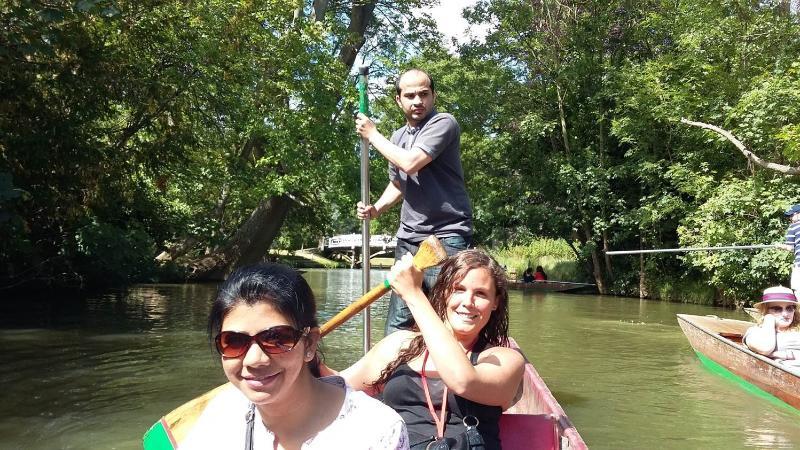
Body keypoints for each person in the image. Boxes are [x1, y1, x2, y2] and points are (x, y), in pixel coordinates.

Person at [180, 263, 409, 449]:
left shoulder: (375, 432)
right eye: (234, 341)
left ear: (309, 344)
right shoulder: (219, 415)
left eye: (277, 338)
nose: (254, 359)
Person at [333, 250, 525, 449]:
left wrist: (413, 295)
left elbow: (463, 381)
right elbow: (335, 387)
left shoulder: (505, 359)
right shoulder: (400, 344)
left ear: (495, 303)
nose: (468, 302)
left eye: (481, 294)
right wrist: (304, 350)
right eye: (458, 289)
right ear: (443, 293)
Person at [355, 68, 473, 335]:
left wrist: (372, 134)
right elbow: (399, 182)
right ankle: (394, 374)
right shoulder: (397, 137)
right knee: (399, 321)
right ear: (399, 100)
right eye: (410, 95)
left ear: (434, 96)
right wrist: (377, 209)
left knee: (442, 315)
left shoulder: (443, 123)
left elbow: (410, 163)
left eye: (424, 94)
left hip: (447, 236)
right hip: (409, 238)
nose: (417, 101)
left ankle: (446, 372)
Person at [743, 286, 800, 370]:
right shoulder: (755, 332)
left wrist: (783, 354)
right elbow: (765, 348)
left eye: (789, 308)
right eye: (777, 309)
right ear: (765, 311)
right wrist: (769, 319)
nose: (785, 314)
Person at [778, 204, 800, 291]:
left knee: (798, 290)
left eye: (791, 215)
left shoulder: (794, 226)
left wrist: (779, 246)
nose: (790, 218)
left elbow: (789, 247)